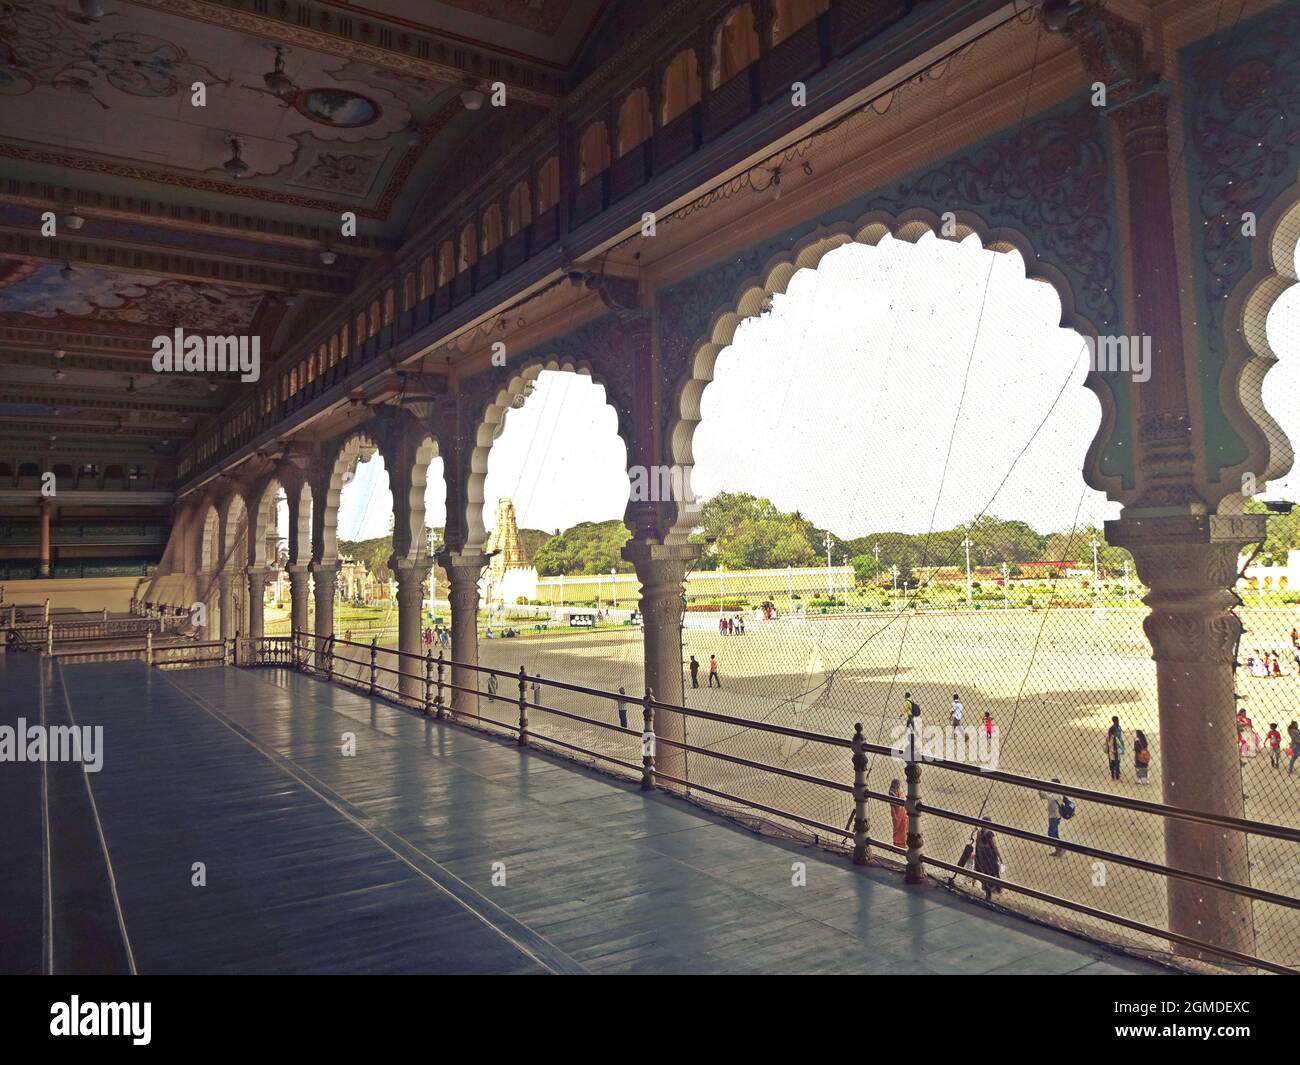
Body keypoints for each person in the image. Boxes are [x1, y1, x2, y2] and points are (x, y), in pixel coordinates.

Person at [973, 818, 1004, 901]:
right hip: (990, 858)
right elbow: (994, 846)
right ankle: (989, 893)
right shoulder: (989, 833)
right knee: (992, 875)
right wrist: (1000, 858)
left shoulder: (979, 832)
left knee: (984, 874)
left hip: (982, 858)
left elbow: (977, 844)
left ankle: (987, 892)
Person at [1038, 779, 1065, 856]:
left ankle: (1061, 848)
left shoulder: (1057, 794)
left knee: (1051, 834)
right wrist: (1040, 789)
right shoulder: (1054, 792)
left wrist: (1040, 788)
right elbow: (1043, 796)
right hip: (1053, 816)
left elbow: (1047, 796)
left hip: (1054, 817)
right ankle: (1059, 850)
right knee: (1055, 834)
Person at [889, 779, 908, 851]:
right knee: (898, 826)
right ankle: (899, 843)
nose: (899, 785)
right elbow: (894, 803)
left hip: (900, 811)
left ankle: (901, 842)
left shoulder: (897, 790)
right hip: (897, 812)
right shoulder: (892, 791)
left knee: (902, 826)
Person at [1105, 716, 1124, 781]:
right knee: (1115, 761)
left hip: (1115, 747)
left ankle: (1115, 772)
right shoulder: (1113, 729)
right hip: (1115, 747)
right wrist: (1122, 748)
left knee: (1114, 760)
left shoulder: (1118, 727)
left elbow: (1120, 737)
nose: (1118, 721)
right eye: (1117, 720)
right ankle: (1115, 773)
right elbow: (1119, 739)